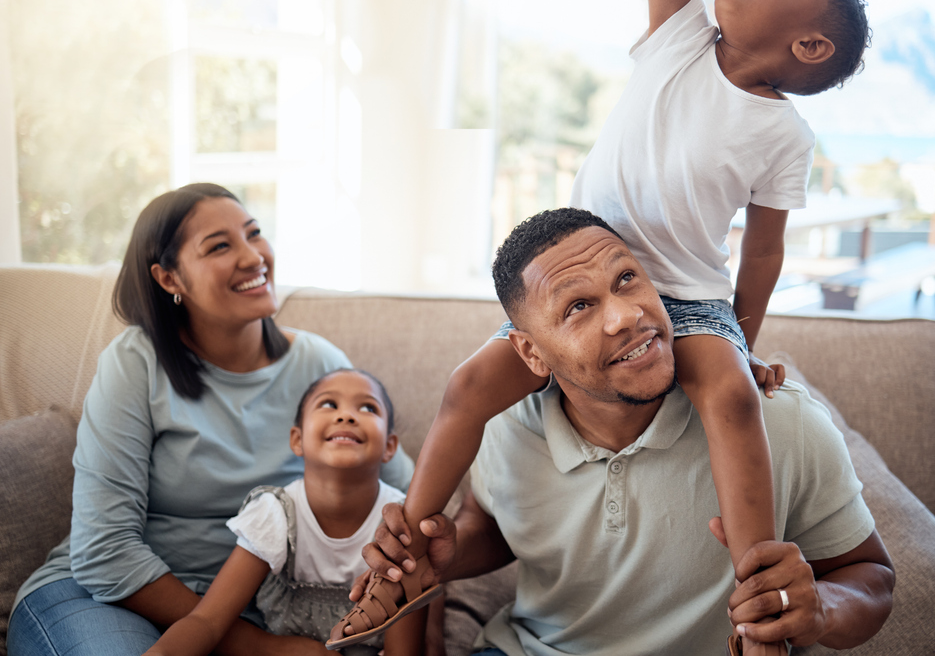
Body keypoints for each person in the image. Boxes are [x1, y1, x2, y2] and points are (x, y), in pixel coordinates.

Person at [328, 0, 871, 654]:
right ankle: (396, 550)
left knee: (735, 399)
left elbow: (762, 257)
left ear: (810, 45)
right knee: (463, 388)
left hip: (685, 305)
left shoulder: (782, 137)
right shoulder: (672, 42)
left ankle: (756, 617)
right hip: (580, 279)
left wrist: (742, 344)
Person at [356, 210, 894, 656]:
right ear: (530, 352)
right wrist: (453, 552)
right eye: (579, 307)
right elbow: (495, 526)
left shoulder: (779, 421)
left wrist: (822, 608)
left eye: (627, 280)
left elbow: (871, 577)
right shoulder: (503, 423)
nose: (626, 316)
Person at [8, 183, 413, 656]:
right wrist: (258, 646)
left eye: (254, 233)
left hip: (253, 608)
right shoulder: (136, 362)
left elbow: (405, 501)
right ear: (169, 279)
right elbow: (104, 550)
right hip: (108, 598)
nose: (253, 256)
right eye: (220, 246)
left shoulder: (321, 367)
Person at [142, 369, 429, 656]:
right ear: (297, 440)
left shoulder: (401, 523)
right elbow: (207, 621)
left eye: (368, 408)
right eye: (328, 404)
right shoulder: (275, 513)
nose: (346, 416)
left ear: (390, 447)